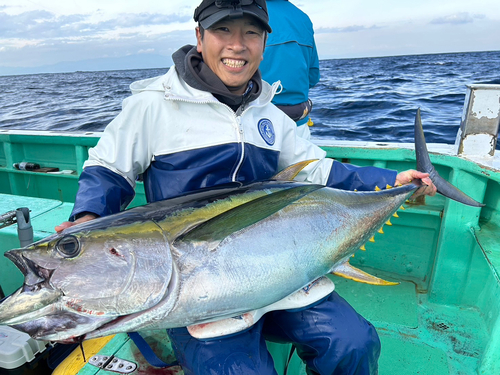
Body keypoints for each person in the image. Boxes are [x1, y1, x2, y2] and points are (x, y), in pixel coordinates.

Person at [55, 1, 436, 374]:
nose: (237, 45)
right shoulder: (153, 106)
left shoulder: (268, 111)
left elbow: (316, 168)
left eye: (251, 33)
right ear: (200, 37)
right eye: (223, 30)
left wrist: (392, 182)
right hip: (195, 286)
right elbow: (109, 168)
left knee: (354, 343)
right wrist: (88, 216)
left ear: (264, 43)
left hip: (280, 265)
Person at [260, 0, 320, 139]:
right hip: (298, 124)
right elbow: (313, 76)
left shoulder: (247, 12)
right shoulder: (303, 18)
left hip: (256, 125)